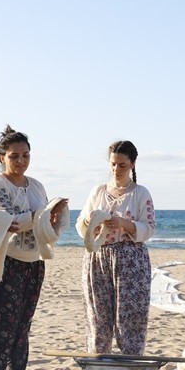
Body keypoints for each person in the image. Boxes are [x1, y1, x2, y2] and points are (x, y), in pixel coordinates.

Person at [0, 126, 69, 370]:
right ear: (2, 157)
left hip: (35, 260)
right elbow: (9, 221)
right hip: (8, 259)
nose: (21, 161)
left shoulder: (36, 185)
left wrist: (51, 216)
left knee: (23, 322)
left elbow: (44, 222)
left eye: (26, 155)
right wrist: (41, 214)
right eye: (14, 156)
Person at [76, 140, 156, 355]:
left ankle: (130, 366)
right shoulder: (98, 191)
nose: (116, 169)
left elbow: (148, 228)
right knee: (97, 316)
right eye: (113, 164)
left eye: (122, 165)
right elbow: (81, 223)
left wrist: (123, 224)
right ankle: (98, 365)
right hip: (98, 257)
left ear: (132, 164)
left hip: (131, 259)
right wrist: (90, 222)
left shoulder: (140, 193)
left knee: (130, 317)